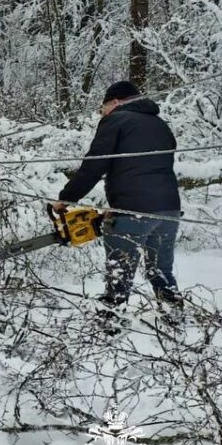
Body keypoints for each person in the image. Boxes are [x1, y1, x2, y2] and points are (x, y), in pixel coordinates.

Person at [53, 81, 182, 325]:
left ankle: (110, 325)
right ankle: (175, 320)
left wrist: (66, 198)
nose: (102, 113)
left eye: (102, 108)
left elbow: (94, 164)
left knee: (119, 272)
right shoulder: (161, 125)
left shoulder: (116, 120)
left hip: (131, 211)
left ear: (114, 102)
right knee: (161, 270)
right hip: (169, 210)